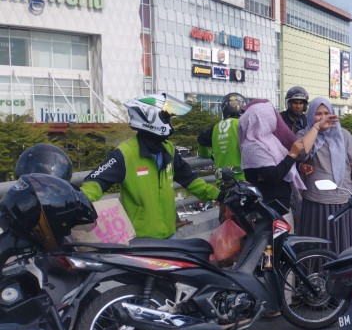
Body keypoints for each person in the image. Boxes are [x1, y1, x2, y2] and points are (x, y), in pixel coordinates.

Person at [81, 92, 221, 239]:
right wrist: (80, 201)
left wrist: (220, 195)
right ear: (151, 117)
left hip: (170, 233)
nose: (169, 122)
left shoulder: (169, 149)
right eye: (166, 117)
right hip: (142, 241)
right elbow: (96, 182)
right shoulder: (125, 153)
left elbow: (190, 180)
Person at [238, 100, 331, 228]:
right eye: (272, 116)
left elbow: (282, 164)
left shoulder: (269, 139)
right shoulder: (252, 146)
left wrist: (298, 165)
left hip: (281, 203)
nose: (276, 120)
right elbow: (274, 175)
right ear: (262, 120)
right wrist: (292, 154)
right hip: (269, 208)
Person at [297, 97, 352, 254]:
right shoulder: (304, 134)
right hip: (316, 201)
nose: (323, 117)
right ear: (310, 115)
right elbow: (301, 154)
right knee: (317, 247)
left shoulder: (343, 135)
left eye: (326, 113)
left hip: (343, 200)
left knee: (344, 247)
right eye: (318, 114)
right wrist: (316, 127)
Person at [198, 92, 246, 178]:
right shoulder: (243, 124)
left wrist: (208, 154)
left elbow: (202, 142)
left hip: (222, 180)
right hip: (244, 178)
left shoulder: (214, 128)